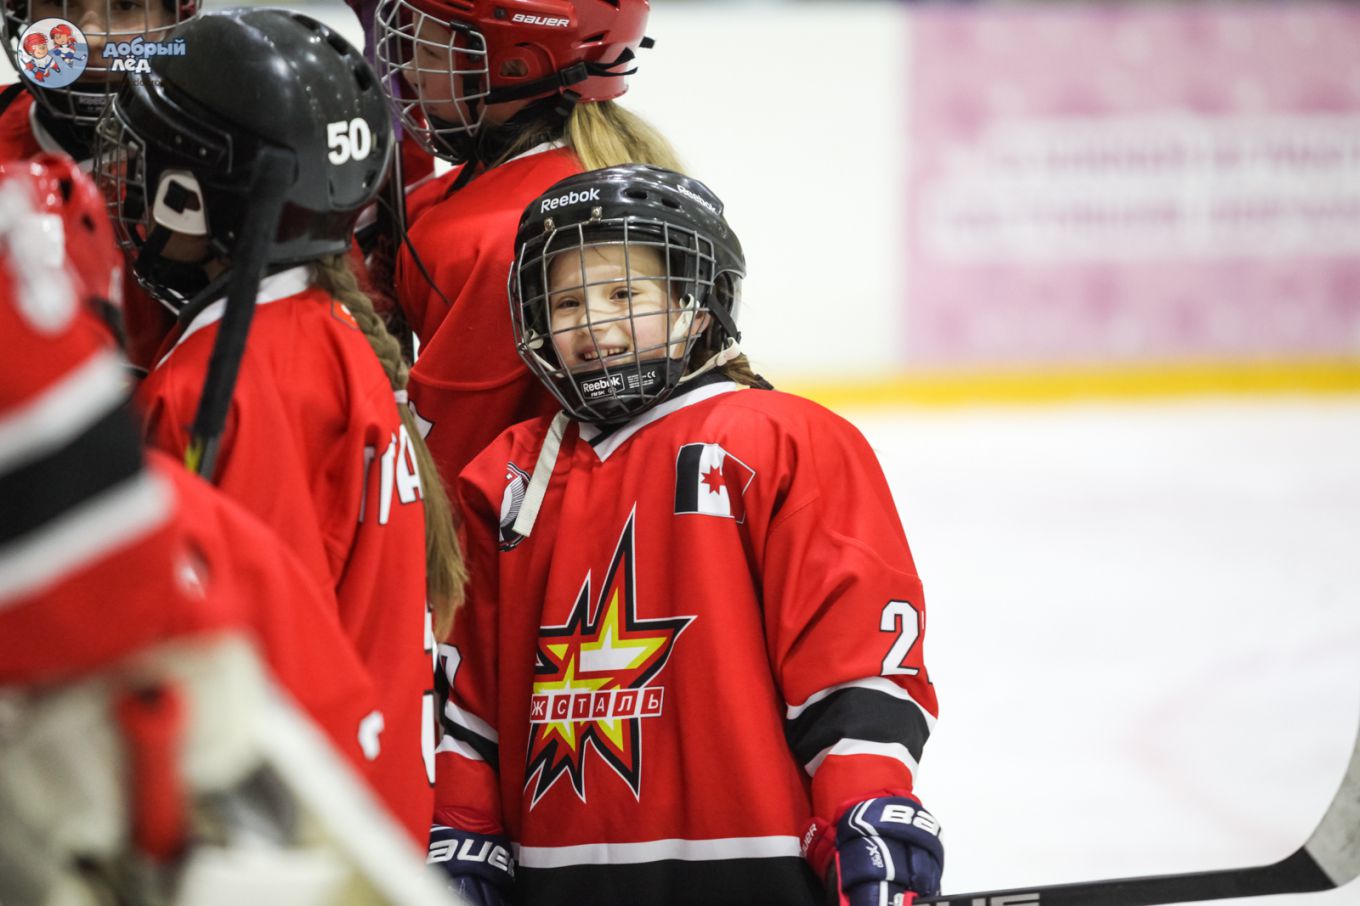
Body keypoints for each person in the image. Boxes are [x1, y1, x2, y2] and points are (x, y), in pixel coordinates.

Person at [428, 164, 944, 906]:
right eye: (567, 301)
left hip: (759, 874)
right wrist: (465, 834)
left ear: (696, 305)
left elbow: (851, 665)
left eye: (623, 294)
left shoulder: (780, 439)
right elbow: (472, 699)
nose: (594, 325)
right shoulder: (506, 475)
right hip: (556, 881)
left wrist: (868, 814)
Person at [91, 8, 465, 846]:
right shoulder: (327, 331)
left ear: (198, 192)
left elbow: (245, 656)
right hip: (362, 818)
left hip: (293, 842)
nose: (126, 173)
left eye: (148, 155)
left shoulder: (233, 380)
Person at [369, 0, 682, 487]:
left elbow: (448, 475)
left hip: (517, 540)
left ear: (514, 66)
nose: (410, 69)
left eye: (429, 50)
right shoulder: (645, 174)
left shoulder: (470, 235)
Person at [1, 0, 201, 373]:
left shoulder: (227, 156)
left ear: (176, 19)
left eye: (125, 5)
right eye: (60, 3)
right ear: (19, 12)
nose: (90, 37)